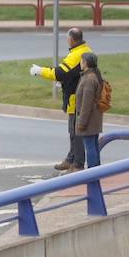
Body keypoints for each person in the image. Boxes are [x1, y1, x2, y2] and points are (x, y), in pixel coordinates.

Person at [29, 26, 93, 171]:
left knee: (76, 132)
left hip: (77, 98)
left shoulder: (76, 55)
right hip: (77, 95)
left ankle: (77, 164)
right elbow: (74, 74)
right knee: (73, 131)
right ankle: (71, 159)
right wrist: (64, 82)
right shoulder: (86, 50)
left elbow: (59, 73)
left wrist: (39, 71)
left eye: (67, 38)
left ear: (71, 39)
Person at [70, 52, 105, 172]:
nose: (80, 63)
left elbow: (86, 104)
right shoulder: (92, 76)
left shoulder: (89, 80)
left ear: (86, 63)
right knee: (93, 145)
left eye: (81, 61)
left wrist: (82, 122)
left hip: (89, 120)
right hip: (94, 118)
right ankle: (96, 171)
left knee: (90, 146)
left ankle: (92, 172)